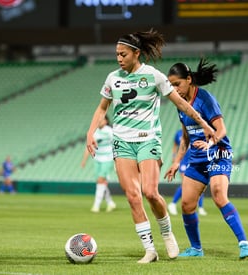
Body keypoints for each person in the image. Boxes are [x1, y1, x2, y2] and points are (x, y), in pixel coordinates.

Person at [85, 29, 216, 264]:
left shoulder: (154, 76)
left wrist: (204, 124)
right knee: (133, 196)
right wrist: (90, 132)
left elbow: (181, 104)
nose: (119, 58)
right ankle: (150, 250)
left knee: (150, 192)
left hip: (148, 139)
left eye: (123, 54)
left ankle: (167, 233)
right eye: (116, 54)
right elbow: (102, 108)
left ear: (136, 53)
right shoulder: (112, 78)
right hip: (122, 141)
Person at [164, 58, 248, 260]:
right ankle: (196, 249)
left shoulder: (205, 99)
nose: (174, 89)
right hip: (196, 158)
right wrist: (177, 161)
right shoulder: (181, 105)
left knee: (219, 195)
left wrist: (210, 144)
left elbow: (221, 130)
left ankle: (244, 243)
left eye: (177, 84)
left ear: (189, 79)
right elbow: (186, 137)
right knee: (186, 204)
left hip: (217, 154)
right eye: (171, 85)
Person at [81, 115, 116, 213]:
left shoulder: (110, 131)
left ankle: (96, 205)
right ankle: (110, 203)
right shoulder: (94, 131)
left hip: (108, 158)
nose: (99, 121)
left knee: (101, 180)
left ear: (106, 121)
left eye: (101, 120)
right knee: (100, 182)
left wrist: (117, 159)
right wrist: (84, 160)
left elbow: (117, 144)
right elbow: (89, 146)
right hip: (97, 158)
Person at [168, 129, 207, 216]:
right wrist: (174, 156)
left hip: (195, 160)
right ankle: (173, 203)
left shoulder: (196, 130)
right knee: (185, 183)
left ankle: (200, 207)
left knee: (200, 183)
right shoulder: (178, 133)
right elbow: (175, 145)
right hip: (183, 161)